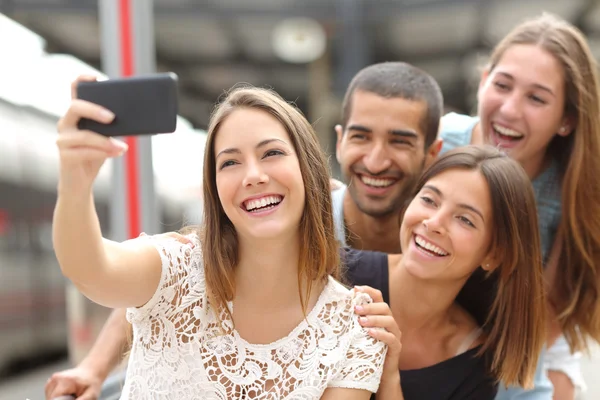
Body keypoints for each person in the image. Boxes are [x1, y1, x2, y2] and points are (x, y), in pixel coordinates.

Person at [46, 61, 445, 400]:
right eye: (230, 163)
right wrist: (76, 181)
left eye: (271, 153)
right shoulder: (175, 269)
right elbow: (89, 268)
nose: (253, 176)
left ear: (308, 170)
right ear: (215, 188)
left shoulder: (353, 330)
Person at [439, 13, 600, 400]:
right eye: (502, 85)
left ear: (566, 120)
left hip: (526, 334)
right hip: (432, 325)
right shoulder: (438, 145)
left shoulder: (572, 189)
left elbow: (550, 319)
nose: (510, 110)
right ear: (482, 81)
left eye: (536, 98)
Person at [350, 145, 546, 399]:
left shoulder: (475, 369)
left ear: (493, 254)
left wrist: (388, 376)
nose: (434, 223)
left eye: (465, 219)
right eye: (429, 200)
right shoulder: (339, 273)